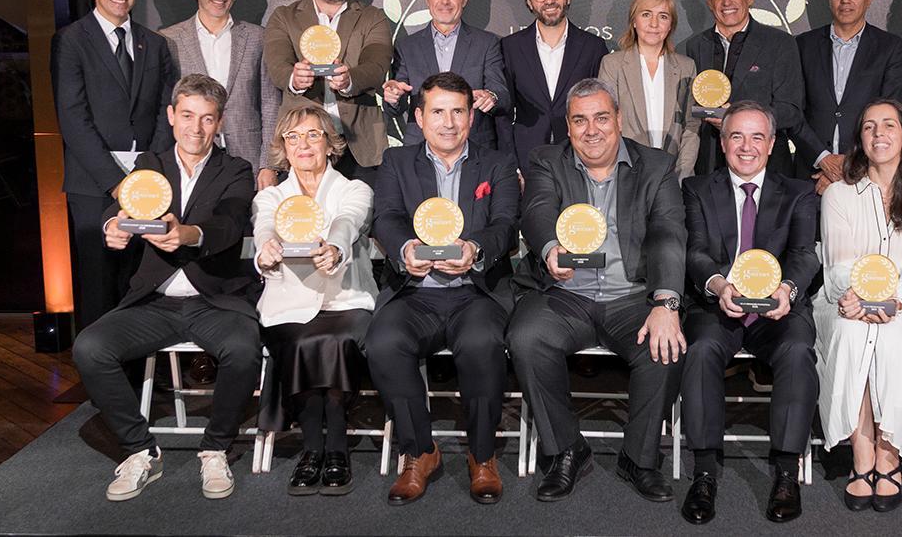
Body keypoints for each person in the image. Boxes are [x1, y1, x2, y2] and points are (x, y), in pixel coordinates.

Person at [71, 74, 260, 501]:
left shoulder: (236, 169)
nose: (196, 128)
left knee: (244, 349)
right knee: (89, 347)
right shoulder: (149, 166)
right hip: (154, 303)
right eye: (188, 116)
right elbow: (115, 207)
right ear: (172, 116)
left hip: (215, 300)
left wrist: (189, 233)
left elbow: (229, 223)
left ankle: (215, 448)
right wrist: (112, 226)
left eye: (207, 119)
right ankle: (140, 450)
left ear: (220, 122)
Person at [508, 78, 686, 503]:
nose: (592, 130)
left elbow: (667, 233)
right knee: (526, 338)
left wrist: (666, 302)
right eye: (580, 120)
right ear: (568, 128)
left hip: (632, 297)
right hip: (566, 294)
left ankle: (639, 458)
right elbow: (536, 211)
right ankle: (565, 449)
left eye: (602, 118)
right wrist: (550, 247)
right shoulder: (547, 160)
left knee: (665, 346)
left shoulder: (656, 166)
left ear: (619, 120)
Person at [366, 71, 520, 505]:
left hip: (475, 292)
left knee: (482, 342)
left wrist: (475, 247)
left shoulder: (497, 164)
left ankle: (482, 455)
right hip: (416, 291)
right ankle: (420, 451)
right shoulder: (397, 162)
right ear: (419, 117)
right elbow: (386, 218)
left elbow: (506, 224)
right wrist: (404, 248)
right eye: (438, 111)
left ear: (471, 117)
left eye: (458, 111)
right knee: (383, 341)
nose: (448, 122)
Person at [679, 101, 820, 524]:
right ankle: (704, 472)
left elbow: (804, 255)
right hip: (719, 306)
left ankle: (785, 471)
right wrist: (719, 285)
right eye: (736, 136)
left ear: (772, 143)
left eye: (757, 136)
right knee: (701, 348)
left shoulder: (798, 192)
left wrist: (787, 289)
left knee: (797, 350)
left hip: (777, 310)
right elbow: (696, 252)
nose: (747, 146)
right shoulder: (697, 189)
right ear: (722, 144)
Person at [812, 99, 902, 513]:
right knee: (854, 334)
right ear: (860, 140)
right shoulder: (838, 193)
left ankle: (890, 457)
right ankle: (862, 457)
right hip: (844, 300)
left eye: (889, 125)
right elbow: (838, 264)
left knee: (892, 340)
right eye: (869, 127)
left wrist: (889, 302)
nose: (879, 134)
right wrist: (858, 300)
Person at [252, 104, 376, 496]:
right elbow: (265, 225)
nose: (303, 144)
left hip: (346, 297)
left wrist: (337, 248)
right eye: (293, 137)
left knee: (334, 340)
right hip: (288, 300)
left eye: (312, 135)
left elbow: (347, 221)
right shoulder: (271, 195)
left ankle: (333, 447)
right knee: (301, 339)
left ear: (330, 144)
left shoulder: (354, 189)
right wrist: (265, 249)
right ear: (283, 149)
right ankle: (312, 448)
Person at [52, 0, 177, 331]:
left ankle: (141, 377)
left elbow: (163, 110)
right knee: (99, 282)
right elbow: (73, 118)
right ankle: (99, 380)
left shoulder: (153, 43)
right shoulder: (70, 41)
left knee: (139, 281)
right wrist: (116, 182)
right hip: (93, 185)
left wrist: (145, 172)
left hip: (147, 183)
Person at [263, 0, 392, 186]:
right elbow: (277, 67)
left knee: (362, 221)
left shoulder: (372, 17)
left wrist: (349, 80)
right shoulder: (284, 17)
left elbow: (377, 65)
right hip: (303, 146)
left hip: (360, 146)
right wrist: (295, 78)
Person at [161, 0, 282, 191]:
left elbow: (270, 103)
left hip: (248, 161)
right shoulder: (168, 40)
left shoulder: (258, 37)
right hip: (190, 161)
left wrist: (269, 165)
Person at [683, 0, 804, 176]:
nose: (727, 1)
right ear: (709, 2)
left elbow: (790, 111)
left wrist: (737, 120)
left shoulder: (779, 43)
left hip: (765, 169)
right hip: (709, 168)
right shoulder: (695, 46)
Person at [795, 0, 902, 194]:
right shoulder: (802, 45)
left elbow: (890, 115)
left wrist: (850, 166)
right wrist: (823, 159)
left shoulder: (889, 47)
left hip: (867, 174)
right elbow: (793, 111)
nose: (845, 0)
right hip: (810, 175)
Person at [381, 0, 512, 150]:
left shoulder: (487, 43)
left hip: (475, 146)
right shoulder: (406, 46)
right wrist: (393, 96)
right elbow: (395, 107)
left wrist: (491, 97)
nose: (445, 1)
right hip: (420, 148)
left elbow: (502, 95)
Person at [499, 0, 609, 171]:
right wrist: (512, 168)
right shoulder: (509, 47)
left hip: (581, 161)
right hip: (526, 162)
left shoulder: (593, 47)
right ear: (529, 2)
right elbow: (503, 116)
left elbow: (604, 110)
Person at [597, 0, 699, 179]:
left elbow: (691, 126)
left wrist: (681, 173)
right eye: (646, 14)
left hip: (673, 177)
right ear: (634, 21)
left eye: (663, 16)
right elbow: (606, 122)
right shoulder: (612, 65)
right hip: (625, 175)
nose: (654, 24)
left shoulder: (687, 67)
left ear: (671, 25)